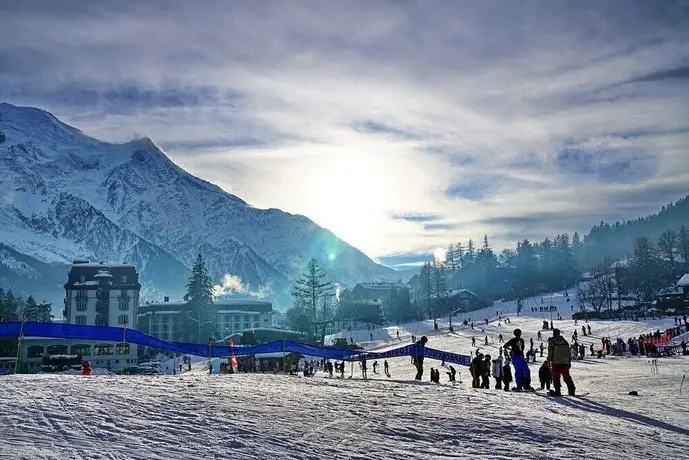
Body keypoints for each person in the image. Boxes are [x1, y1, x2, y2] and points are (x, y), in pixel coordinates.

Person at [547, 328, 576, 396]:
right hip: (565, 362)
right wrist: (569, 362)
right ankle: (572, 389)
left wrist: (548, 360)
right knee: (566, 376)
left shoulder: (552, 341)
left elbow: (550, 353)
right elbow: (568, 353)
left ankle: (557, 391)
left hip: (556, 362)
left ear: (554, 333)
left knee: (556, 376)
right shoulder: (565, 342)